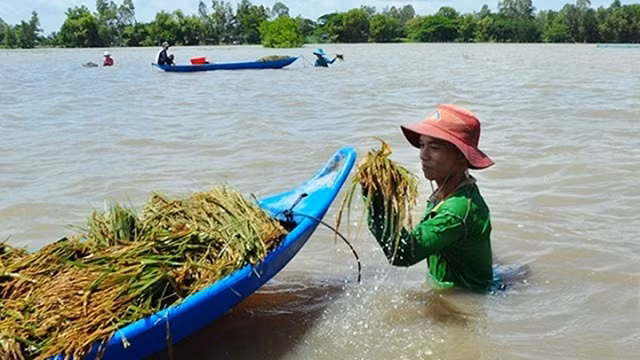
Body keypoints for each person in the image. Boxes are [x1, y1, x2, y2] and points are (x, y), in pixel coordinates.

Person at [364, 104, 495, 292]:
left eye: (434, 147)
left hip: (465, 297)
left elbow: (403, 254)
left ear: (461, 157)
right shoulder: (447, 192)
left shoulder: (457, 210)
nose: (423, 155)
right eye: (422, 145)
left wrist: (376, 198)